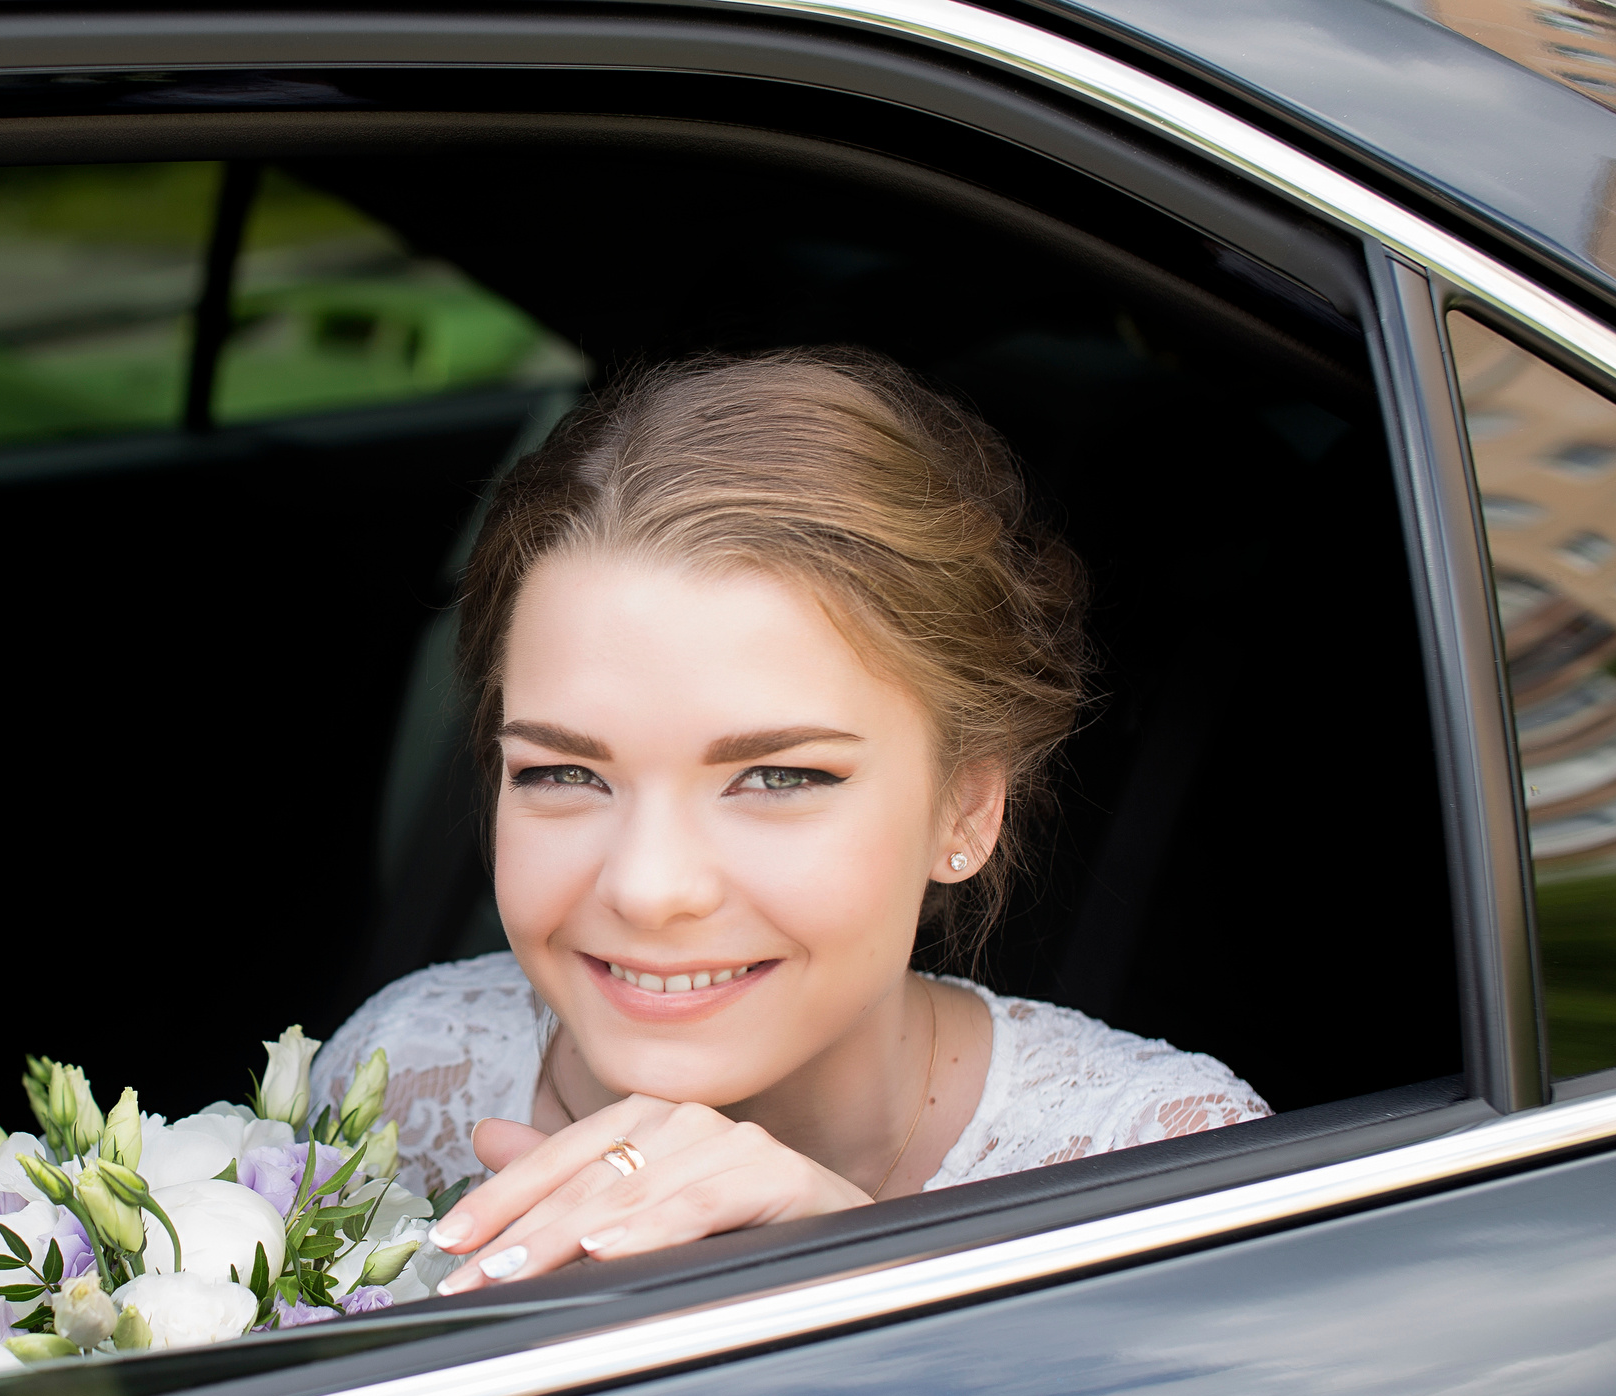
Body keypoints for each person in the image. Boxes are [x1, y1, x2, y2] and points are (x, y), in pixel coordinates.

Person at [309, 350, 1267, 1297]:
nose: (648, 887)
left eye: (776, 776)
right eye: (564, 771)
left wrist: (865, 1285)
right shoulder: (407, 1073)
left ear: (965, 805)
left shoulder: (1166, 1175)